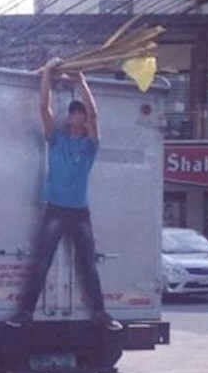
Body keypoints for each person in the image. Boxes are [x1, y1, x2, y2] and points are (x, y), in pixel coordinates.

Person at [7, 57, 123, 331]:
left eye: (77, 112)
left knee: (88, 265)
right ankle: (25, 313)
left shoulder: (90, 145)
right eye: (72, 111)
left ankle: (100, 314)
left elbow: (95, 114)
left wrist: (81, 80)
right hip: (55, 210)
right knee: (41, 262)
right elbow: (43, 107)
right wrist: (47, 72)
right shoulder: (56, 138)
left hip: (80, 212)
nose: (72, 114)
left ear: (84, 120)